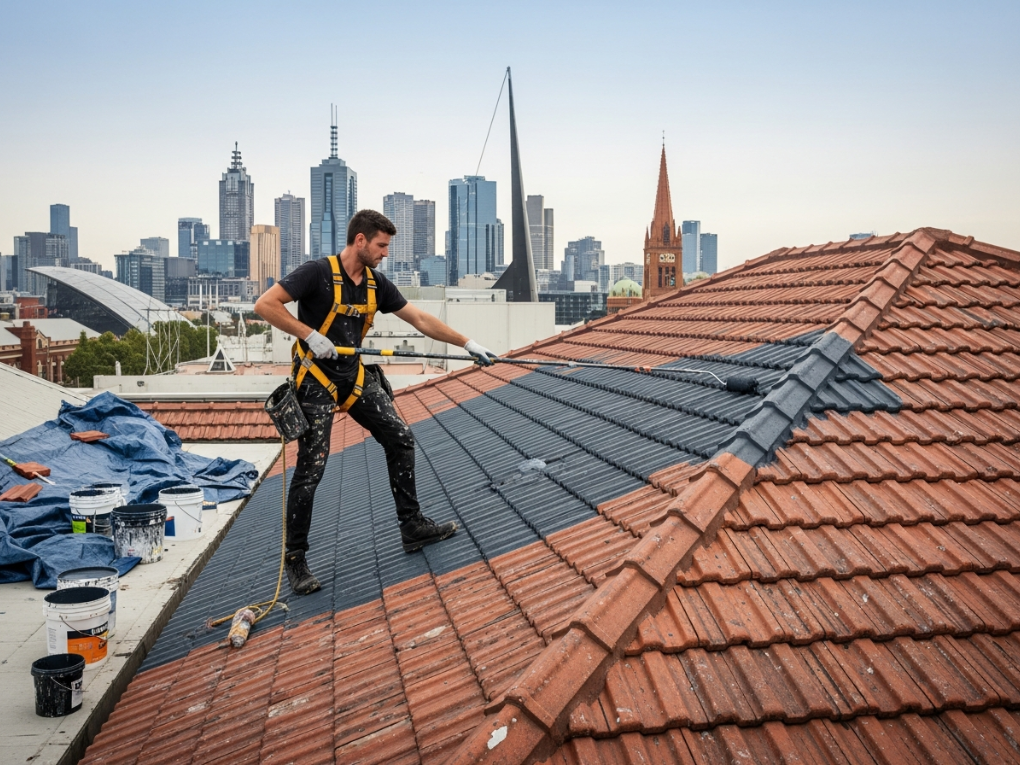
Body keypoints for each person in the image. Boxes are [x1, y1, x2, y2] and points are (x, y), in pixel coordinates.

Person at [255, 209, 497, 595]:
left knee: (400, 437)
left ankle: (411, 525)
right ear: (361, 240)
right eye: (382, 246)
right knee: (312, 468)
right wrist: (308, 334)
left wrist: (466, 343)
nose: (386, 253)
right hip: (315, 380)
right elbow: (265, 305)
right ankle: (296, 560)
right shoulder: (316, 273)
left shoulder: (376, 285)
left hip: (352, 377)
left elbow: (419, 318)